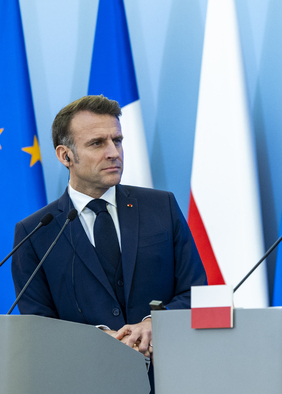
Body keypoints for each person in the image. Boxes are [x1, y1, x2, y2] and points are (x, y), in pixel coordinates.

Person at [12, 95, 207, 362]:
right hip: (84, 379)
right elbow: (36, 325)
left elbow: (196, 292)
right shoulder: (35, 232)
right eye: (97, 143)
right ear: (65, 155)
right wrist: (97, 337)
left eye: (117, 140)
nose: (113, 152)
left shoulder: (162, 207)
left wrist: (155, 323)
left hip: (169, 375)